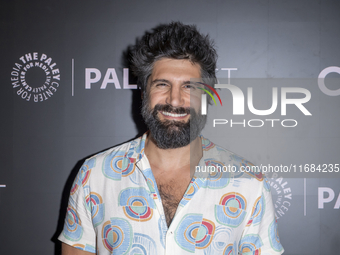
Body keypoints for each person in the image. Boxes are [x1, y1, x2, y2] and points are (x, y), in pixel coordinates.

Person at [59, 22, 284, 254]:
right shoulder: (94, 175)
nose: (174, 100)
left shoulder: (248, 183)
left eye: (189, 87)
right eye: (162, 84)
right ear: (145, 92)